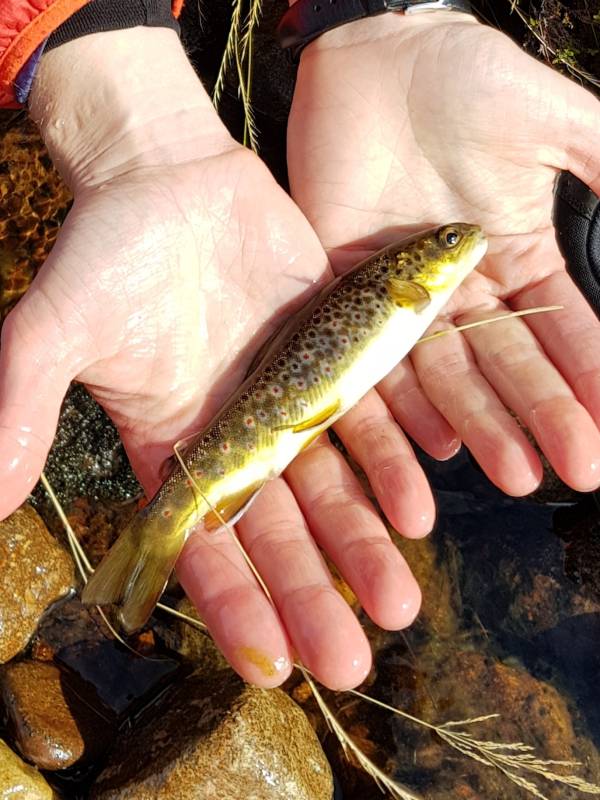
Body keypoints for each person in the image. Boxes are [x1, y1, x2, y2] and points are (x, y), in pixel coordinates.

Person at [1, 1, 600, 691]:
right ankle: (157, 531)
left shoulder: (410, 290)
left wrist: (369, 14)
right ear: (411, 274)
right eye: (445, 244)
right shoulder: (409, 290)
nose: (456, 241)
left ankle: (149, 544)